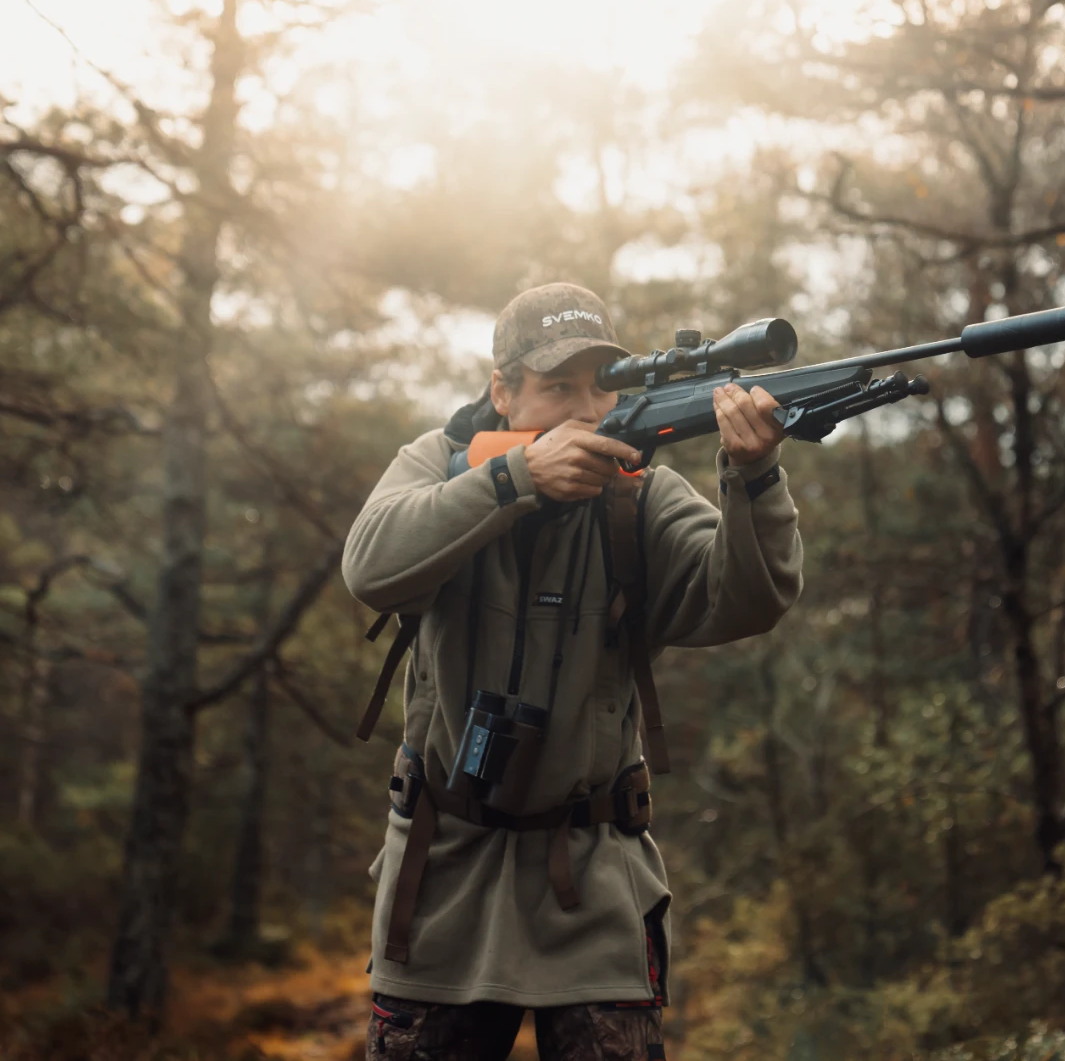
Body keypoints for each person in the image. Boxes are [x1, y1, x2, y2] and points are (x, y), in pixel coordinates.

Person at [342, 282, 803, 1060]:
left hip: (595, 889)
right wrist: (514, 480)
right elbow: (369, 565)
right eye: (558, 387)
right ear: (502, 390)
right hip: (441, 881)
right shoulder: (439, 463)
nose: (586, 408)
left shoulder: (639, 496)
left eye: (603, 384)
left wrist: (753, 476)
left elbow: (748, 598)